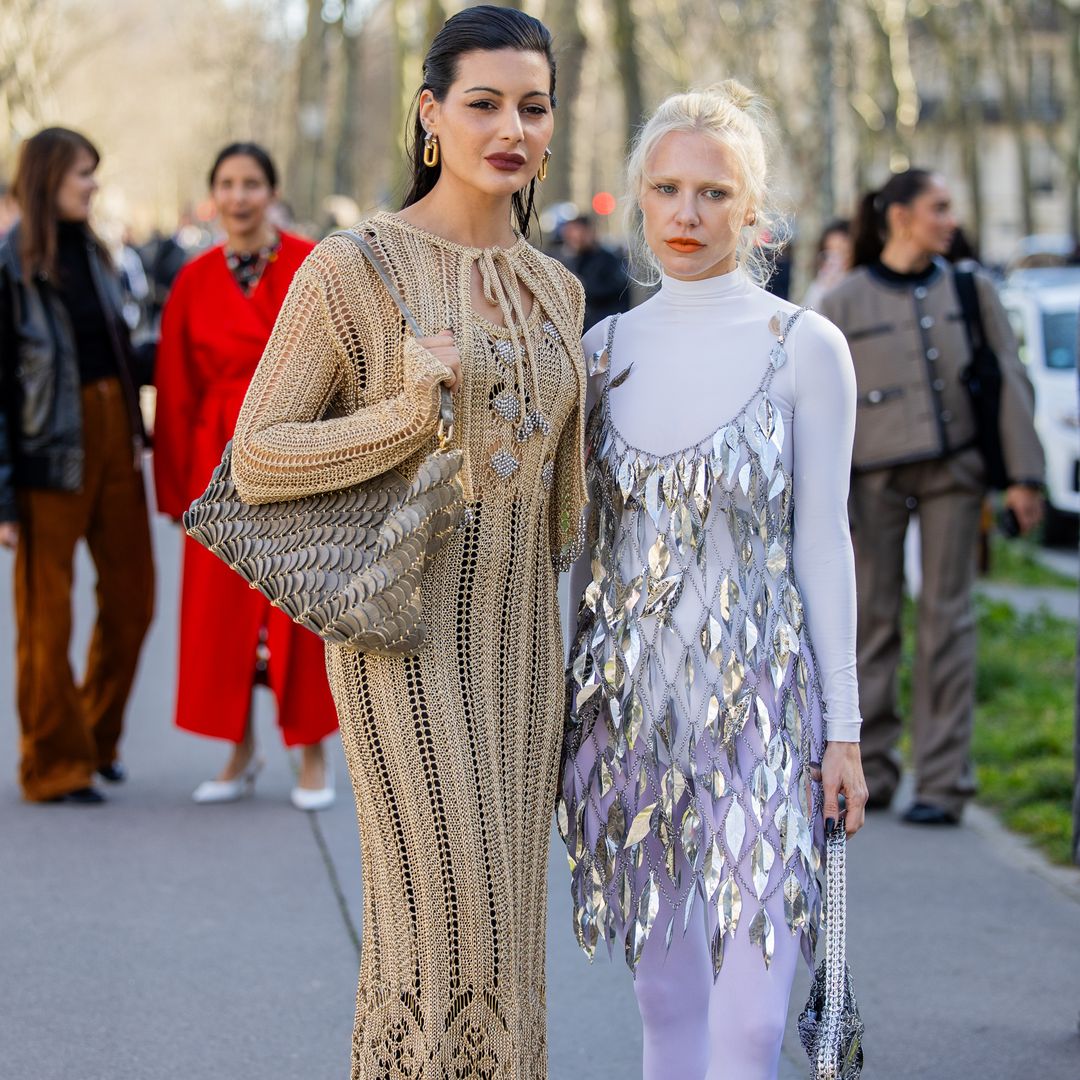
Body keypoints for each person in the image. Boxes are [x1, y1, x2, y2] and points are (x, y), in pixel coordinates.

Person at [229, 7, 587, 1074]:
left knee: (505, 938)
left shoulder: (560, 289)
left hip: (526, 658)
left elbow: (562, 511)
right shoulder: (356, 269)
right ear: (431, 115)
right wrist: (407, 407)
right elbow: (257, 457)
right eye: (483, 104)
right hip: (403, 651)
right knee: (439, 923)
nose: (509, 127)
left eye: (532, 105)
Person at [561, 82, 867, 1080]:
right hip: (624, 715)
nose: (687, 216)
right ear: (638, 201)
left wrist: (845, 732)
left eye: (713, 193)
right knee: (667, 1005)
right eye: (667, 190)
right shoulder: (602, 353)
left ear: (755, 212)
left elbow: (825, 540)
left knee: (747, 1026)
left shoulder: (802, 347)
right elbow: (578, 551)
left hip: (765, 721)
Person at [818, 169, 1044, 825]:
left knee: (950, 621)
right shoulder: (845, 301)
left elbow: (1009, 381)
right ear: (899, 216)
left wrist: (1023, 478)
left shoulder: (972, 288)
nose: (951, 219)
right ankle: (874, 770)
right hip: (870, 479)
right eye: (938, 208)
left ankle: (944, 782)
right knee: (871, 620)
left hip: (955, 473)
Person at [153, 143, 338, 809]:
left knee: (297, 604)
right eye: (227, 184)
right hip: (215, 461)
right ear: (214, 195)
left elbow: (346, 360)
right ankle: (238, 750)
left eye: (251, 183)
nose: (239, 197)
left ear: (271, 190)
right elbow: (175, 386)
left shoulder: (312, 264)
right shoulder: (193, 280)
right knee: (223, 613)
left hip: (296, 450)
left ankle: (311, 753)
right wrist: (176, 489)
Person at [0, 127, 154, 803]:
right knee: (46, 620)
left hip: (114, 436)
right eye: (82, 174)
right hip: (45, 456)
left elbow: (116, 346)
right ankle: (53, 764)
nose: (93, 184)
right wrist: (3, 497)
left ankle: (93, 738)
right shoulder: (9, 266)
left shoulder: (96, 252)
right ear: (47, 179)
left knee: (133, 601)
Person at [560, 213, 630, 330]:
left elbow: (615, 290)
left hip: (605, 328)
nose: (573, 242)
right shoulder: (575, 260)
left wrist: (581, 286)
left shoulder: (608, 260)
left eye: (577, 236)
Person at [802, 218, 850, 308]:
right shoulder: (819, 286)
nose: (834, 259)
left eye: (841, 251)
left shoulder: (858, 284)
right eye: (829, 251)